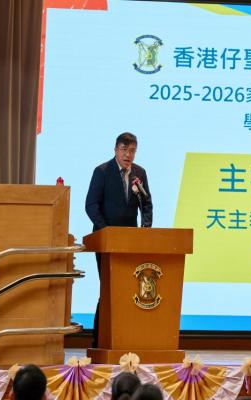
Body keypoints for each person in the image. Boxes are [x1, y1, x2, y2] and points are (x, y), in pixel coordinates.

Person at [85, 132, 153, 347]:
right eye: (124, 150)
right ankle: (100, 340)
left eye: (132, 151)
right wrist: (107, 231)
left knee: (128, 290)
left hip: (131, 242)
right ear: (116, 150)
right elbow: (91, 205)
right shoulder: (102, 172)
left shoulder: (139, 173)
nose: (128, 155)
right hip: (106, 241)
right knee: (108, 289)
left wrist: (145, 229)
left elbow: (146, 203)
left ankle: (125, 338)